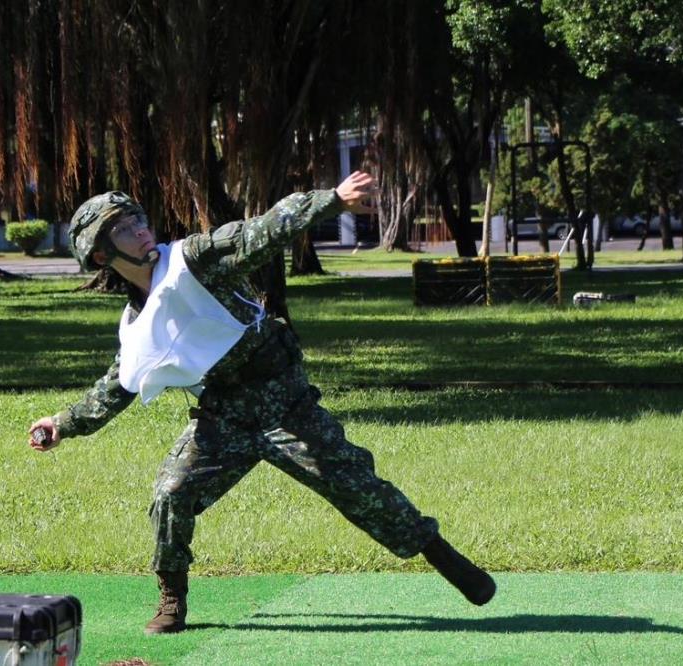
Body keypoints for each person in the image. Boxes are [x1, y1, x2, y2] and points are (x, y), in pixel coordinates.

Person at [28, 172, 495, 635]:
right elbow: (117, 386)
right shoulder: (135, 324)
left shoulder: (194, 259)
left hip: (285, 406)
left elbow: (265, 229)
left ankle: (444, 557)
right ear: (101, 253)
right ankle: (172, 599)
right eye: (124, 228)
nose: (141, 228)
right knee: (172, 492)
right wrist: (61, 424)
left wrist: (331, 200)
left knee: (357, 488)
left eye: (139, 218)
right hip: (224, 417)